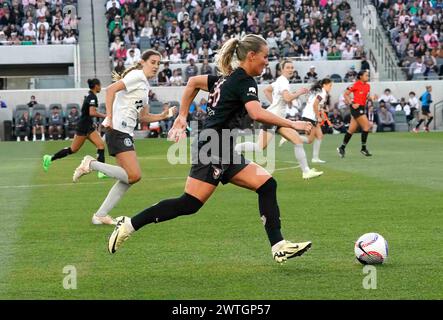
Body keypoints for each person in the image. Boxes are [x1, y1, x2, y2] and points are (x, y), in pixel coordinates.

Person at [106, 35, 313, 263]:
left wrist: (183, 116)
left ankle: (278, 245)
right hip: (213, 147)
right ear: (251, 56)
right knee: (189, 203)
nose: (267, 62)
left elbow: (193, 81)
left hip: (224, 148)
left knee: (267, 185)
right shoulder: (244, 81)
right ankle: (129, 224)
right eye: (265, 57)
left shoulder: (226, 79)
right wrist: (293, 123)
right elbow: (256, 113)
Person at [71, 50, 176, 225]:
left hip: (124, 132)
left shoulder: (144, 85)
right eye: (153, 62)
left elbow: (143, 117)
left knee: (128, 179)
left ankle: (100, 215)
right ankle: (91, 163)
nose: (156, 66)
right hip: (117, 130)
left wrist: (163, 116)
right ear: (142, 62)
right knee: (134, 175)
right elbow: (110, 90)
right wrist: (110, 116)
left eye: (158, 63)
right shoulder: (137, 76)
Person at [235, 59, 322, 179]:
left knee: (297, 141)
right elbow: (287, 98)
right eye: (288, 67)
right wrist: (299, 92)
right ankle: (237, 149)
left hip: (277, 118)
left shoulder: (279, 81)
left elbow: (267, 90)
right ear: (281, 70)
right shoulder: (283, 81)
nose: (291, 69)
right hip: (273, 118)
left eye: (292, 67)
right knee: (259, 147)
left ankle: (306, 171)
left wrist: (274, 104)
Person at [42, 79, 107, 179]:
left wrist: (92, 123)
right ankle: (50, 158)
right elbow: (92, 112)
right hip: (83, 128)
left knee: (101, 145)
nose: (101, 87)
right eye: (100, 85)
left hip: (88, 127)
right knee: (73, 149)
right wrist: (105, 116)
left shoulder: (91, 96)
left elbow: (87, 114)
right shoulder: (92, 97)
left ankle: (101, 172)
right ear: (96, 86)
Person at [337, 70, 377, 158]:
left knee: (351, 130)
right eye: (366, 75)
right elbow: (345, 94)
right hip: (356, 108)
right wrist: (351, 103)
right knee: (367, 126)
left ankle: (342, 147)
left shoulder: (367, 86)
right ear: (360, 77)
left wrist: (372, 98)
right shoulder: (355, 85)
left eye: (368, 75)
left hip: (362, 108)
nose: (368, 77)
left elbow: (366, 96)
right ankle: (363, 148)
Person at [299, 78, 333, 163]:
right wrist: (318, 116)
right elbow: (315, 105)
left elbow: (317, 105)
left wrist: (322, 114)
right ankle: (289, 137)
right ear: (324, 85)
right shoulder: (322, 92)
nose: (331, 87)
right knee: (309, 140)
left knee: (319, 136)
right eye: (330, 85)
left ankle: (315, 158)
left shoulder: (319, 92)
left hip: (309, 115)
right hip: (311, 116)